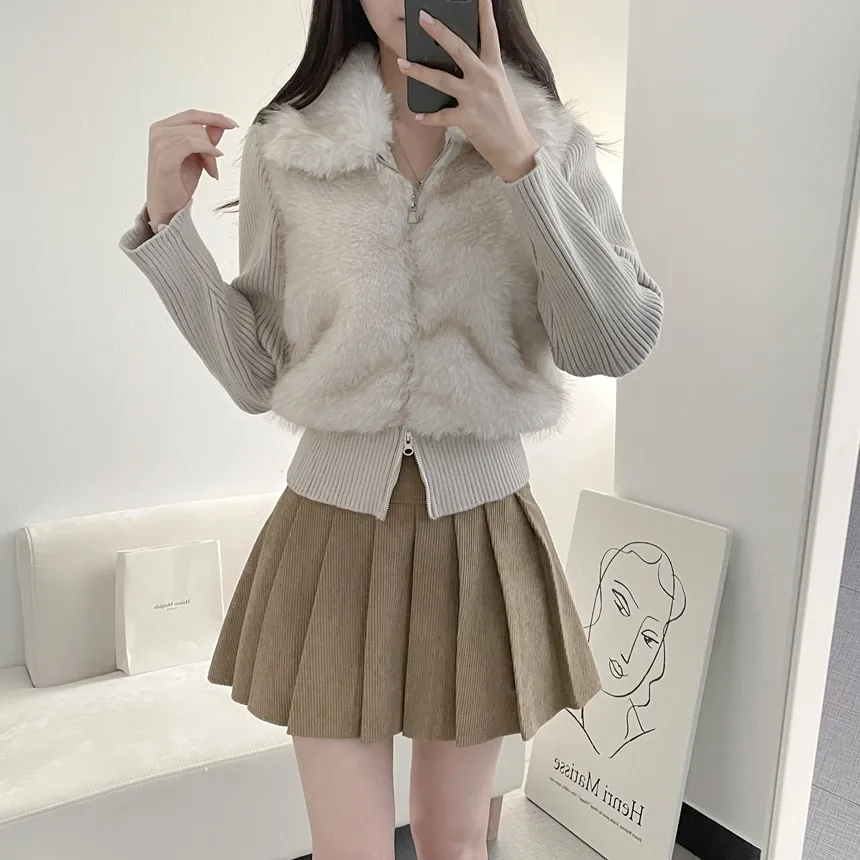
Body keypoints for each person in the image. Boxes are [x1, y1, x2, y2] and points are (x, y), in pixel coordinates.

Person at [120, 0, 663, 857]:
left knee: (455, 839)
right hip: (330, 533)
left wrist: (521, 162)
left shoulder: (549, 139)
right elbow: (258, 374)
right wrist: (167, 228)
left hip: (482, 537)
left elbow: (614, 341)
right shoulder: (287, 145)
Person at [569, 543, 687, 759]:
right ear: (598, 597)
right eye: (622, 607)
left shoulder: (645, 746)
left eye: (649, 638)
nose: (628, 652)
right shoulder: (559, 716)